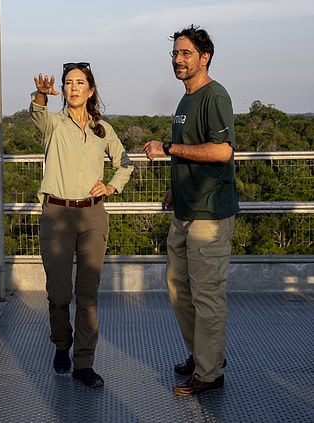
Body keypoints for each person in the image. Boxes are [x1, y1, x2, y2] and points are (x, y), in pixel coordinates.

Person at [143, 25, 239, 396]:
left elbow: (221, 152)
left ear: (205, 57)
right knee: (177, 287)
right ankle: (203, 354)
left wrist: (168, 148)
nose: (178, 60)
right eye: (175, 54)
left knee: (207, 294)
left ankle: (210, 373)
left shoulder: (215, 96)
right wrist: (173, 186)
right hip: (184, 210)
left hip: (209, 215)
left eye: (185, 53)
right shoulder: (186, 100)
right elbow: (190, 151)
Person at [31, 62, 134, 388]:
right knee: (59, 294)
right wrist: (40, 96)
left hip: (92, 216)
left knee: (87, 295)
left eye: (79, 82)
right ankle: (62, 343)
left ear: (90, 90)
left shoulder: (103, 129)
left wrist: (112, 185)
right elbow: (37, 115)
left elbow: (125, 162)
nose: (73, 87)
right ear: (62, 90)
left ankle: (84, 363)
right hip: (56, 215)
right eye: (67, 83)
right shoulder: (54, 124)